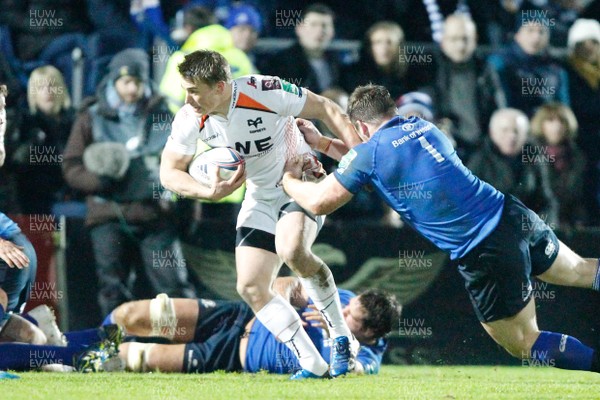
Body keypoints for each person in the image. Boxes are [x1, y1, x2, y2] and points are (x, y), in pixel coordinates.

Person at [282, 84, 600, 375]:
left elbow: (321, 201)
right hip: (512, 214)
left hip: (485, 247)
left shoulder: (371, 155)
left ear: (362, 128)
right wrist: (323, 143)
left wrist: (288, 180)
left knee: (521, 341)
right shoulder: (423, 127)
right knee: (580, 270)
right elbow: (375, 165)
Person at [159, 49, 361, 379]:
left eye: (194, 90)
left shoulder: (264, 90)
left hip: (301, 180)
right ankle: (312, 363)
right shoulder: (189, 118)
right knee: (251, 286)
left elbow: (326, 108)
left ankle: (342, 336)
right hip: (260, 198)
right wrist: (207, 192)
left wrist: (359, 153)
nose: (188, 98)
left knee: (291, 248)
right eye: (186, 89)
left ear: (220, 86)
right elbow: (169, 172)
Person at [63, 48, 197, 318]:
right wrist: (100, 181)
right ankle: (116, 350)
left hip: (154, 213)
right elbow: (71, 166)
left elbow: (186, 163)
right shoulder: (91, 116)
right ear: (113, 81)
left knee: (173, 285)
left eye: (137, 81)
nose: (132, 89)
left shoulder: (165, 112)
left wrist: (188, 214)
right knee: (113, 287)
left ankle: (189, 350)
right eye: (125, 82)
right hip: (108, 215)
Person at [106, 277, 400, 375]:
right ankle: (84, 341)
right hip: (235, 317)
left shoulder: (367, 358)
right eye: (346, 306)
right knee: (133, 314)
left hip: (229, 355)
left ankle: (70, 358)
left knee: (134, 358)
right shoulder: (340, 299)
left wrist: (338, 330)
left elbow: (354, 370)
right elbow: (283, 284)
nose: (342, 310)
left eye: (350, 316)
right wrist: (284, 307)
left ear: (370, 332)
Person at [429, 13, 505, 159]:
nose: (460, 45)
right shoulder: (430, 69)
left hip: (483, 149)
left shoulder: (485, 69)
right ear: (443, 41)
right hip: (442, 148)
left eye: (465, 39)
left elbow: (498, 108)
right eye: (454, 39)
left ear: (475, 40)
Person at [468, 108, 558, 226]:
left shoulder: (534, 156)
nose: (511, 136)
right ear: (492, 132)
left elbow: (546, 201)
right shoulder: (478, 159)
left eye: (516, 131)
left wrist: (542, 228)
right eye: (505, 130)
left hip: (528, 228)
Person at [159, 6, 255, 113]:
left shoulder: (181, 57)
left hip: (196, 124)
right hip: (236, 123)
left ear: (189, 28)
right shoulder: (240, 56)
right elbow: (255, 93)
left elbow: (172, 99)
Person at [10, 66, 77, 214]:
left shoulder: (76, 120)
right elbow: (18, 165)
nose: (48, 92)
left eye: (52, 86)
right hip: (37, 199)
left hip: (73, 192)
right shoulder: (26, 123)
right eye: (41, 87)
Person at [487, 6, 570, 116]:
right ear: (517, 34)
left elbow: (563, 108)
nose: (536, 37)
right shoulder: (500, 62)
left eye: (541, 32)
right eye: (530, 30)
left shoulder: (555, 68)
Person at [566, 19, 600, 225]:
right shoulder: (567, 72)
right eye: (583, 43)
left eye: (594, 42)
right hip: (580, 139)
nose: (589, 48)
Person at [530, 103, 586, 229]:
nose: (557, 126)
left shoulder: (577, 157)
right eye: (550, 120)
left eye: (562, 121)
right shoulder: (529, 154)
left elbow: (579, 197)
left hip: (569, 226)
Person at [263, 3, 340, 94]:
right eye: (313, 25)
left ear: (333, 31)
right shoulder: (278, 64)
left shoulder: (337, 64)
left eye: (325, 25)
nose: (320, 30)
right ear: (299, 29)